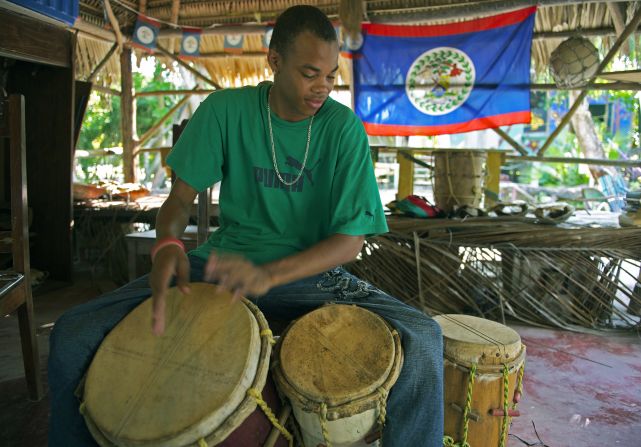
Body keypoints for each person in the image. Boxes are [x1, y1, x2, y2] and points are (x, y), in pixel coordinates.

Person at [48, 5, 443, 446]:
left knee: (424, 337)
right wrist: (168, 245)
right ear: (274, 61)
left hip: (309, 278)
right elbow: (178, 200)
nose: (323, 88)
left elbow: (349, 243)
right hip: (218, 269)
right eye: (311, 73)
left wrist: (269, 274)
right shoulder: (225, 110)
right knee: (72, 333)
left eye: (332, 75)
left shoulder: (342, 128)